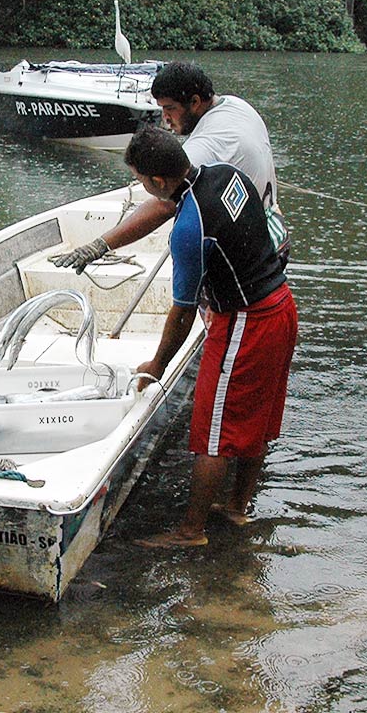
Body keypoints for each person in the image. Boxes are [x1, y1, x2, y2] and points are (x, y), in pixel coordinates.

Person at [119, 125, 298, 548]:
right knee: (257, 417)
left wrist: (157, 366)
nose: (142, 188)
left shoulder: (188, 229)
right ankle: (237, 509)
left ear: (158, 182)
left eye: (142, 181)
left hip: (245, 321)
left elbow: (181, 312)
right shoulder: (225, 174)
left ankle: (190, 531)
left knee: (212, 431)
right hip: (281, 304)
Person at [50, 61, 285, 274]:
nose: (165, 118)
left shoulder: (206, 146)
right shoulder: (235, 105)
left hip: (253, 254)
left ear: (194, 102)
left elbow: (164, 206)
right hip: (274, 232)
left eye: (170, 109)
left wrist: (99, 245)